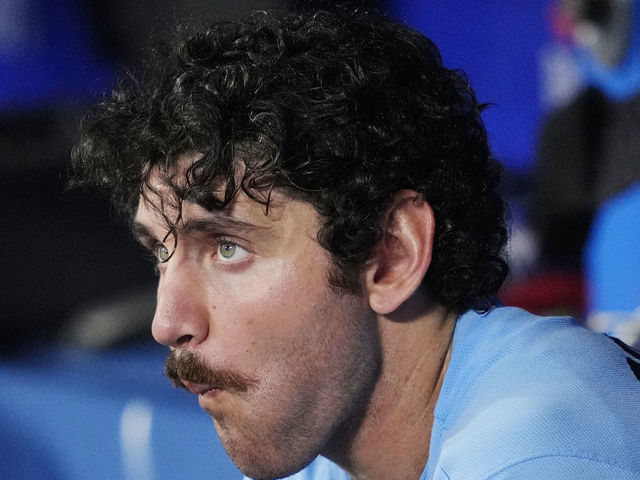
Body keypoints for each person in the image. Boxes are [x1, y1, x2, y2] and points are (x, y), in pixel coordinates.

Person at [71, 5, 640, 480]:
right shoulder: (333, 444)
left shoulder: (544, 451)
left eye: (226, 248)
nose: (166, 323)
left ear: (391, 255)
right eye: (159, 254)